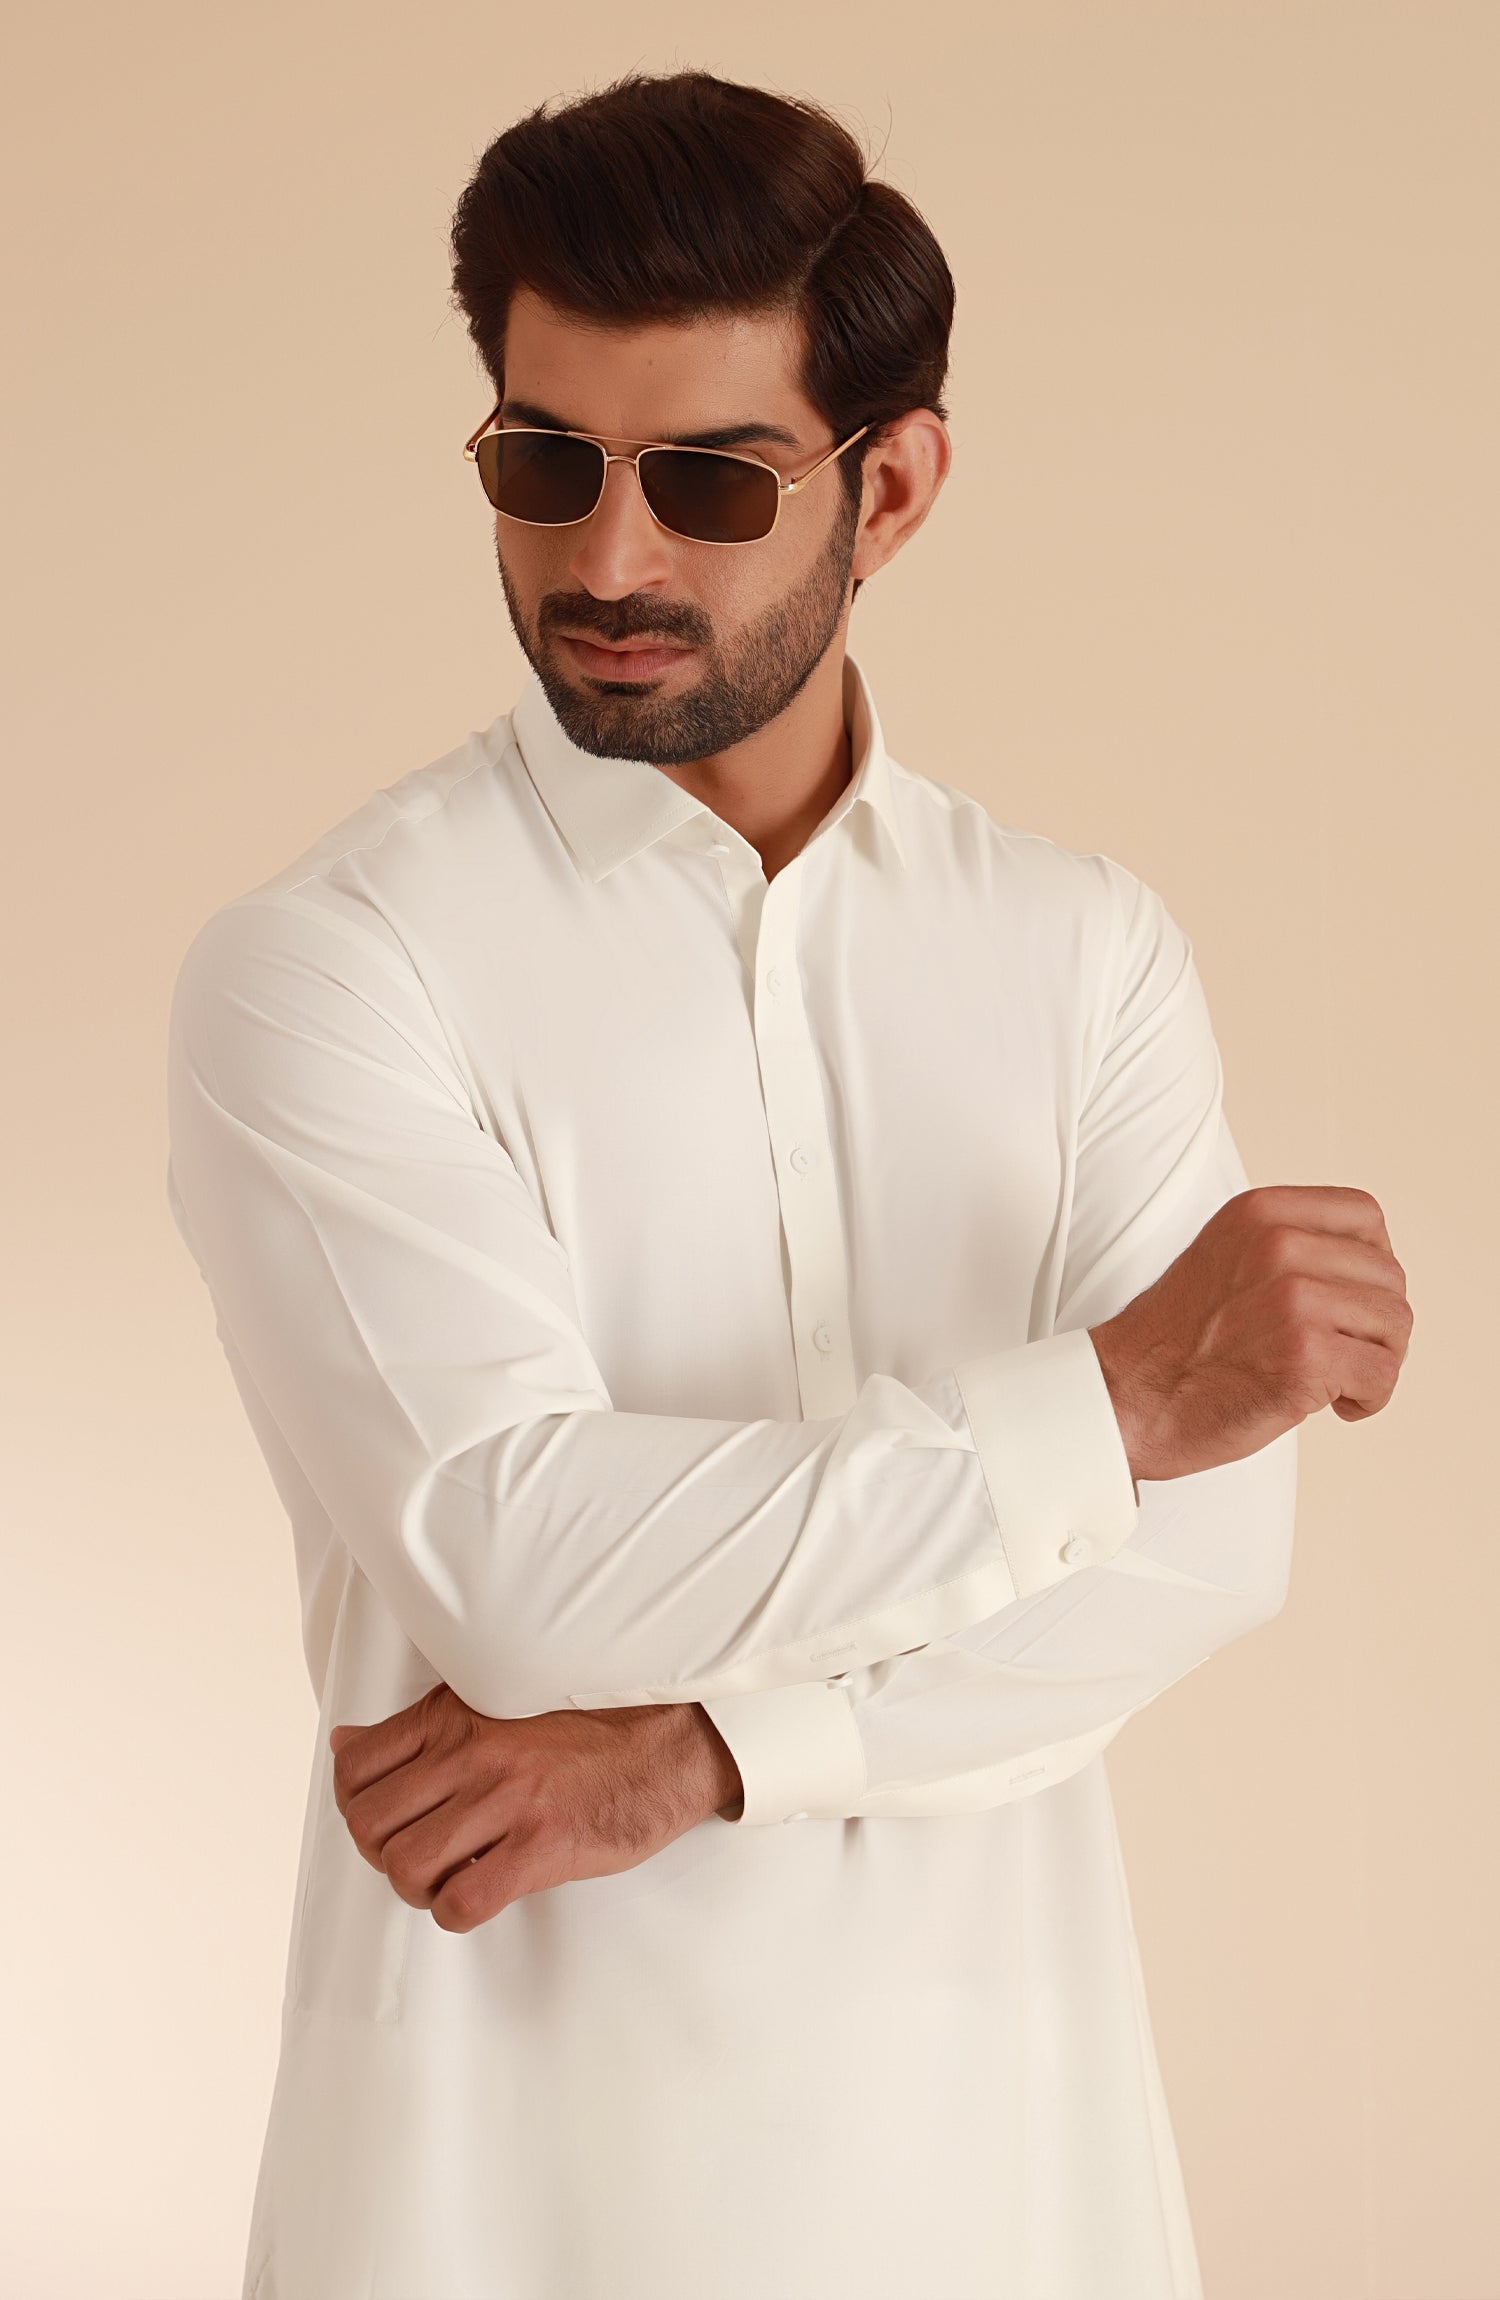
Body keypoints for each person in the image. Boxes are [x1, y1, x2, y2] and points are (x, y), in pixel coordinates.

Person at [164, 69, 1411, 2300]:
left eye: (711, 481)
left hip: (1013, 2176)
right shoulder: (333, 968)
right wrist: (1113, 1404)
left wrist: (711, 1755)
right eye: (544, 466)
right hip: (496, 2197)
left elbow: (1208, 1552)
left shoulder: (1081, 951)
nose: (607, 561)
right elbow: (517, 1555)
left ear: (891, 484)